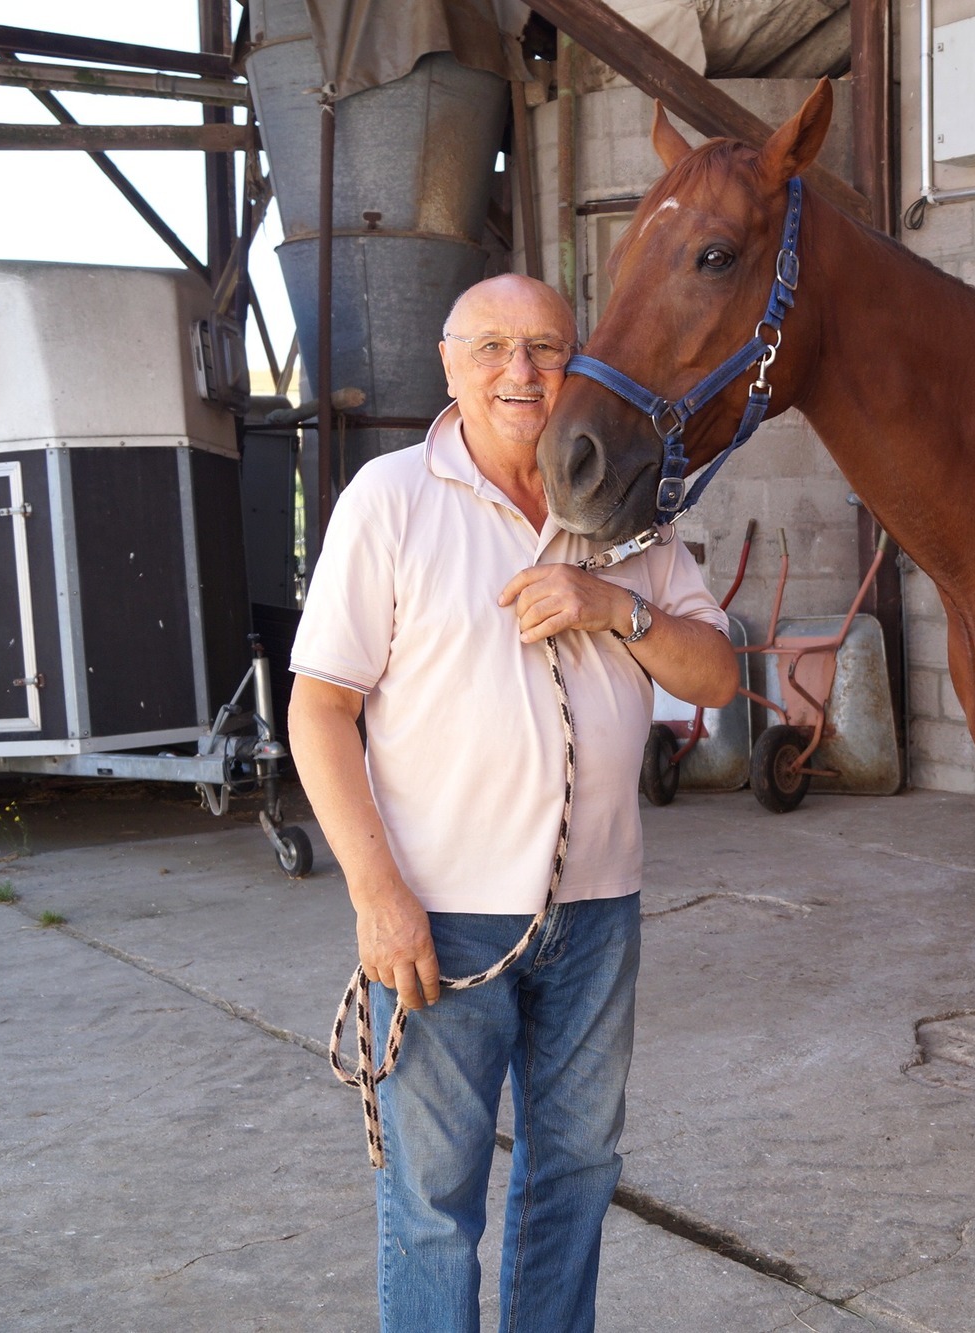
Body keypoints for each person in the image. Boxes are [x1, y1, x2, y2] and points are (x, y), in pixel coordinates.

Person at [288, 272, 738, 1333]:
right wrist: (377, 893)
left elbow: (717, 676)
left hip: (596, 914)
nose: (519, 370)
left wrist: (611, 605)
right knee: (435, 1201)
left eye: (544, 346)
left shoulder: (626, 507)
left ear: (575, 360)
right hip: (438, 920)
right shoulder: (391, 500)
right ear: (450, 365)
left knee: (576, 1173)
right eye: (491, 346)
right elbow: (319, 712)